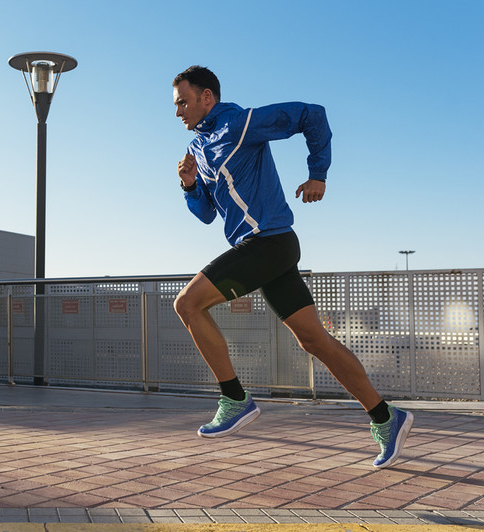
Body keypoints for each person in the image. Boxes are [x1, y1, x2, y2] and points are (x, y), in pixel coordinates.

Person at [171, 65, 413, 469]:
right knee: (314, 340)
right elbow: (208, 215)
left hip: (268, 243)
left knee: (188, 304)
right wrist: (190, 185)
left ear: (206, 97)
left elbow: (311, 114)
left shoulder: (238, 123)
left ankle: (234, 399)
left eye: (182, 102)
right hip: (264, 250)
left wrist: (318, 174)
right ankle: (387, 418)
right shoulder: (199, 148)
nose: (178, 111)